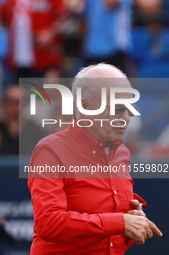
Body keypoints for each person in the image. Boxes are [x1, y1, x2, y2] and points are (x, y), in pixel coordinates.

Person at [27, 63, 162, 254]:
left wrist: (134, 220)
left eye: (130, 109)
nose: (126, 118)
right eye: (117, 109)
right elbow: (49, 223)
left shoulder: (121, 152)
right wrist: (121, 222)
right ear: (84, 106)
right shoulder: (50, 150)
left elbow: (113, 233)